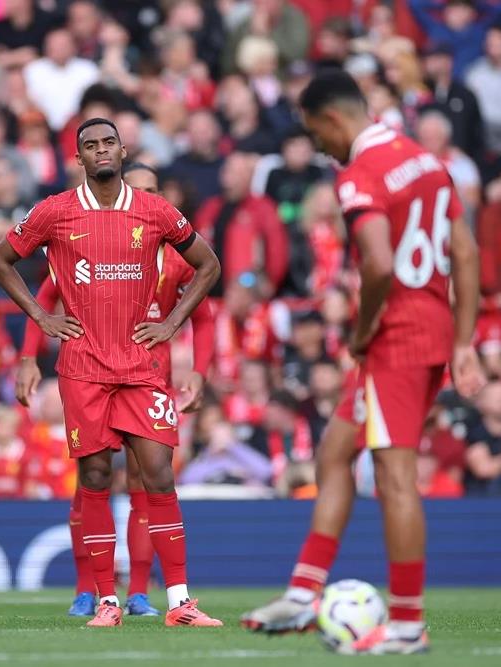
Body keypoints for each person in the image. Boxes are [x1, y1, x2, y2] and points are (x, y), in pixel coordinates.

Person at [241, 70, 485, 654]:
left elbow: (376, 264)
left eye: (315, 133)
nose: (320, 146)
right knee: (335, 450)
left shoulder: (361, 176)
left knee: (395, 477)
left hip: (395, 339)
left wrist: (365, 327)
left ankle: (404, 627)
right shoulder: (425, 162)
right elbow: (466, 250)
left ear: (331, 119)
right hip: (430, 329)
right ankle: (303, 596)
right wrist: (464, 340)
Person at [0, 118, 222, 627]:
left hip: (141, 367)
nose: (100, 151)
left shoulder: (156, 210)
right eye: (90, 145)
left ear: (121, 149)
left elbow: (208, 264)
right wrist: (41, 319)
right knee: (94, 476)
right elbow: (1, 259)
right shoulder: (55, 211)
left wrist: (173, 324)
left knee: (158, 475)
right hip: (83, 368)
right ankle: (107, 601)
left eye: (108, 143)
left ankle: (180, 601)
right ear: (79, 157)